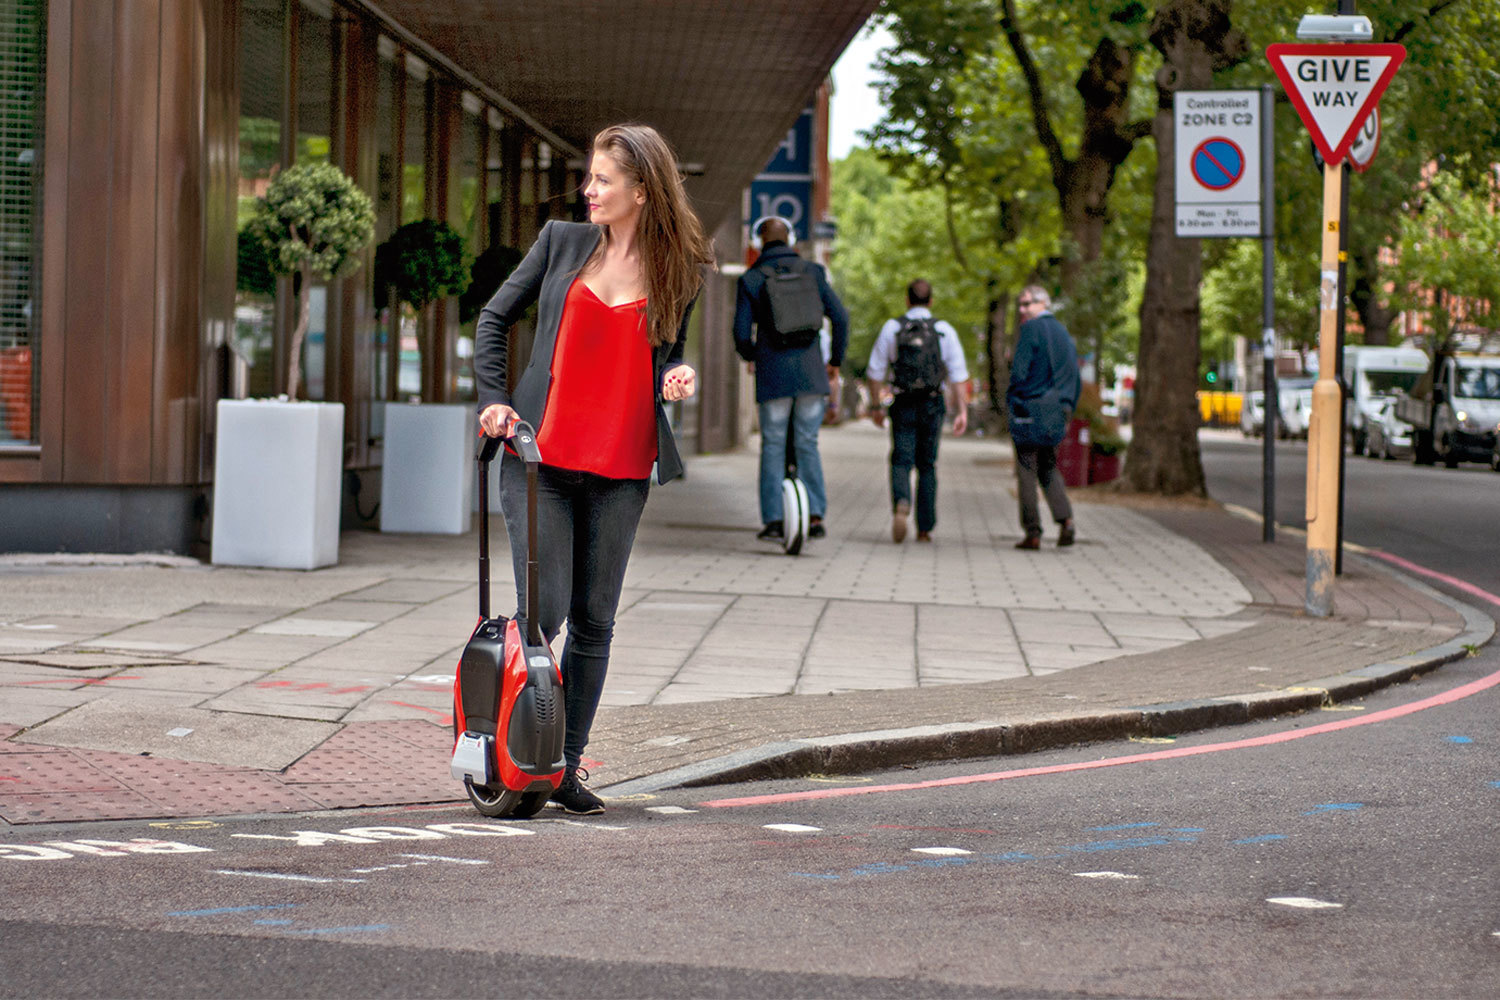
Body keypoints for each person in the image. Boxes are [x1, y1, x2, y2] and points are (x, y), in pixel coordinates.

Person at [474, 124, 712, 815]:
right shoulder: (562, 244)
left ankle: (564, 764)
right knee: (541, 614)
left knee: (595, 620)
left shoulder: (681, 271)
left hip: (620, 470)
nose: (590, 190)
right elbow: (494, 319)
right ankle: (511, 752)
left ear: (642, 190)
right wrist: (495, 403)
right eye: (591, 178)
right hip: (539, 461)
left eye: (604, 180)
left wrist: (678, 374)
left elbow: (670, 355)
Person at [732, 217, 849, 541]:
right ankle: (814, 516)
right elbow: (840, 318)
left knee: (772, 445)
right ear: (792, 239)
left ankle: (773, 520)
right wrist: (834, 362)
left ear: (758, 244)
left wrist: (754, 357)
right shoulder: (814, 272)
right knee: (807, 443)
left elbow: (741, 334)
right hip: (811, 372)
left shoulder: (752, 278)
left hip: (773, 375)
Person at [865, 279, 970, 543]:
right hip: (932, 403)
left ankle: (901, 501)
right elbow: (958, 375)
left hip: (903, 402)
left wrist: (876, 406)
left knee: (901, 458)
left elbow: (875, 371)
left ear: (907, 300)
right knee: (927, 464)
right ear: (931, 301)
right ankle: (925, 528)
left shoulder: (893, 328)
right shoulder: (944, 330)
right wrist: (962, 411)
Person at [1007, 285, 1079, 550]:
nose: (1023, 310)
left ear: (1044, 303)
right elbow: (1074, 373)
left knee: (1026, 468)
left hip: (1032, 407)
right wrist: (1068, 405)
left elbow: (1019, 372)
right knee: (1048, 465)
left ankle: (1033, 531)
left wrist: (1015, 401)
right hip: (1058, 408)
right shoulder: (1063, 333)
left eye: (1028, 304)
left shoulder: (1031, 330)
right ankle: (1066, 520)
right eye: (1020, 305)